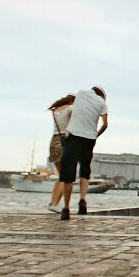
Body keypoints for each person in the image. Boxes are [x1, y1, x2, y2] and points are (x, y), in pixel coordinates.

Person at [59, 86, 108, 220]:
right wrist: (96, 135)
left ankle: (66, 208)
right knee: (85, 170)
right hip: (89, 139)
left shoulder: (80, 94)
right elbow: (105, 124)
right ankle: (82, 200)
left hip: (74, 135)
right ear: (102, 95)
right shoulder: (102, 103)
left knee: (68, 173)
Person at [47, 94, 75, 213]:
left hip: (54, 141)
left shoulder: (55, 111)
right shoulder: (71, 108)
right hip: (65, 141)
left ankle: (53, 202)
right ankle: (55, 204)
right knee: (67, 176)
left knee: (61, 176)